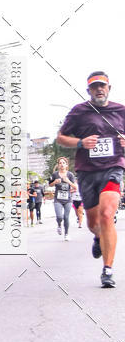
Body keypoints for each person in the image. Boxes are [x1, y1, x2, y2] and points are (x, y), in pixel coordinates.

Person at [57, 71, 125, 288]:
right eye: (94, 86)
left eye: (102, 86)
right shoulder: (79, 112)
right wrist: (80, 143)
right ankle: (98, 238)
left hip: (113, 167)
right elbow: (60, 138)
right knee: (94, 223)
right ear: (88, 91)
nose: (99, 89)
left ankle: (107, 270)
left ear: (109, 88)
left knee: (107, 215)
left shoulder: (120, 111)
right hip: (87, 171)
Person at [48, 158, 76, 240]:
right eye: (60, 163)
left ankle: (66, 234)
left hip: (68, 199)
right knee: (59, 216)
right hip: (58, 199)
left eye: (63, 163)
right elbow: (50, 185)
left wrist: (68, 181)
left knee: (66, 217)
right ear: (58, 165)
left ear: (66, 165)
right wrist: (55, 182)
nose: (62, 164)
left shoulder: (70, 175)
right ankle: (59, 225)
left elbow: (75, 187)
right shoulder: (55, 174)